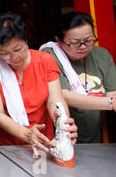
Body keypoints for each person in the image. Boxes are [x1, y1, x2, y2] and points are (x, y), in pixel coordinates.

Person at [0, 12, 78, 156]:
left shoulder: (45, 61)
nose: (14, 57)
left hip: (44, 139)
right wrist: (26, 134)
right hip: (5, 144)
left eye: (18, 49)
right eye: (4, 53)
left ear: (26, 41)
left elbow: (55, 100)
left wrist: (62, 123)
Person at [40, 11, 116, 143]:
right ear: (59, 40)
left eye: (89, 40)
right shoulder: (49, 55)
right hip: (57, 139)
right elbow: (63, 95)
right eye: (75, 42)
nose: (83, 47)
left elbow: (113, 93)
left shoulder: (102, 55)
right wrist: (111, 103)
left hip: (93, 139)